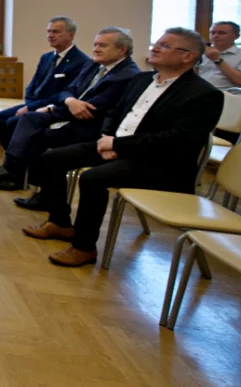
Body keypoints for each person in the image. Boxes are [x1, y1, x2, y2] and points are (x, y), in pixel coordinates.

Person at [21, 28, 223, 267]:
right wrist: (107, 138)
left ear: (188, 56)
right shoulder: (142, 80)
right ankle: (60, 223)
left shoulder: (204, 94)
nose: (154, 48)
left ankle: (84, 247)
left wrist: (118, 145)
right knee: (52, 158)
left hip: (160, 163)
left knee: (92, 179)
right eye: (156, 43)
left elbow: (176, 141)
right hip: (116, 145)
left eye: (164, 46)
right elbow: (114, 113)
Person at [0, 27, 140, 192]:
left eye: (102, 45)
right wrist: (69, 100)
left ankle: (28, 181)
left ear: (122, 49)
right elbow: (68, 90)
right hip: (67, 110)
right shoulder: (94, 64)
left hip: (89, 125)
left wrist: (50, 110)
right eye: (95, 44)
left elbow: (91, 109)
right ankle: (12, 172)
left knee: (36, 136)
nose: (96, 49)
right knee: (25, 120)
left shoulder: (127, 75)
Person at [0, 16, 89, 151]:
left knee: (12, 122)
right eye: (48, 31)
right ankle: (17, 156)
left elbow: (63, 94)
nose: (50, 35)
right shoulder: (46, 57)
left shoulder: (81, 61)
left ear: (70, 35)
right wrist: (29, 104)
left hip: (52, 108)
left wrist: (31, 108)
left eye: (56, 32)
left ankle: (20, 157)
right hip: (34, 104)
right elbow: (33, 85)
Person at [197, 21, 241, 90]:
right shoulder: (201, 52)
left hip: (229, 94)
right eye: (212, 33)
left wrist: (217, 60)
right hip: (200, 92)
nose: (215, 36)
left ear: (236, 36)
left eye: (221, 33)